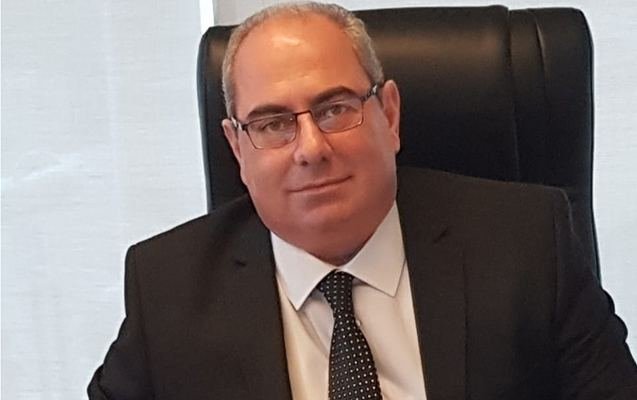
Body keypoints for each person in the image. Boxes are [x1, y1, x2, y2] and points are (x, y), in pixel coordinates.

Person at [88, 2, 637, 399]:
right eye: (273, 123)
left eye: (335, 110)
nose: (310, 149)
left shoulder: (527, 245)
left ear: (389, 115)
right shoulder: (168, 289)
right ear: (237, 147)